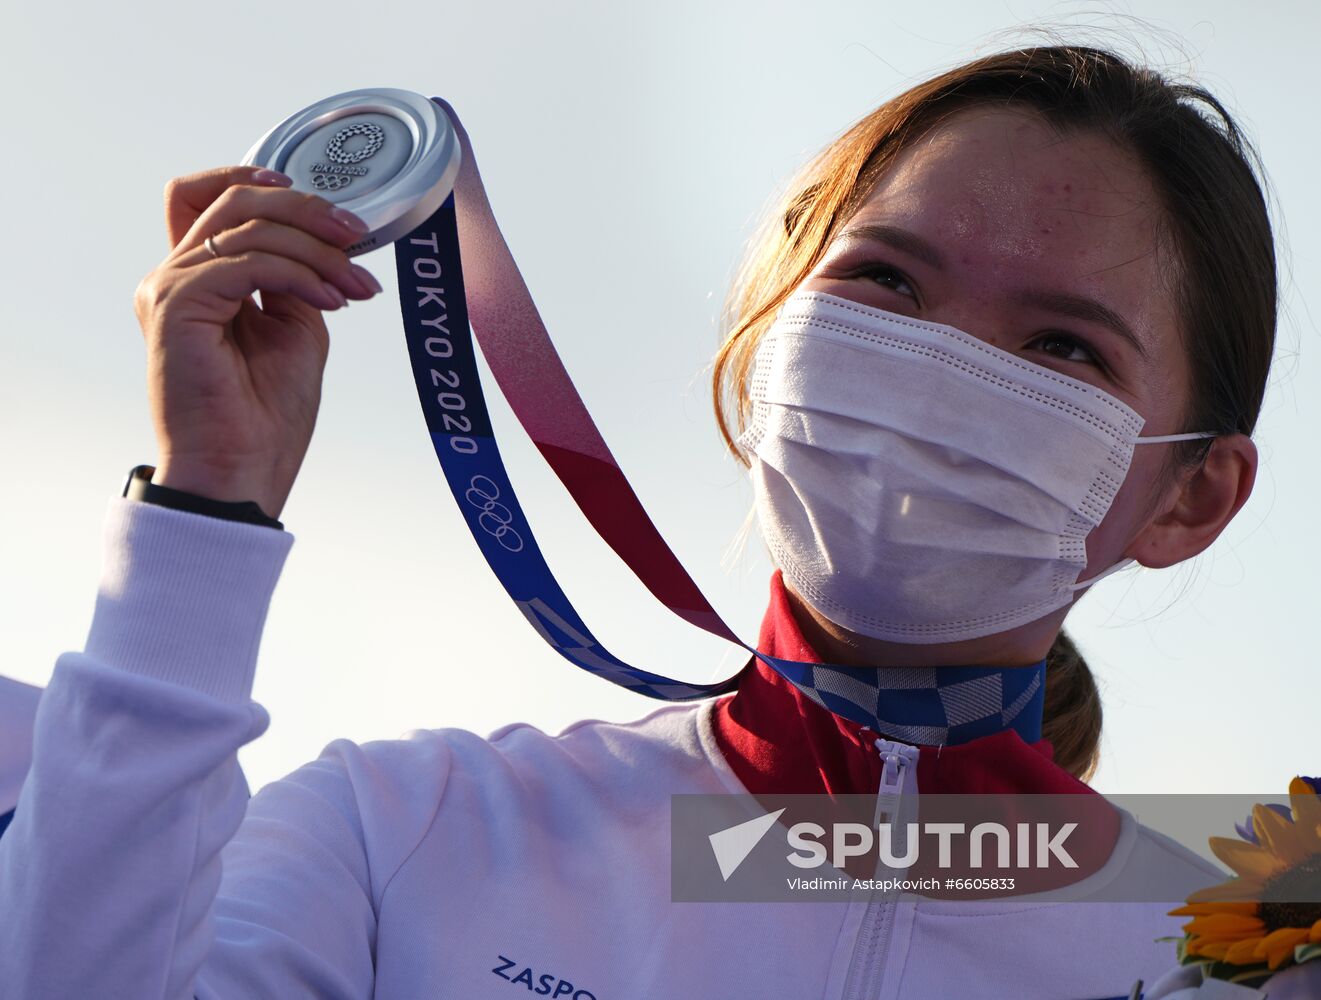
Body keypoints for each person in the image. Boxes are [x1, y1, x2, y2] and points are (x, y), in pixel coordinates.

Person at [0, 43, 1284, 998]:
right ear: (771, 338)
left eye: (1060, 345)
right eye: (884, 280)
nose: (932, 367)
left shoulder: (1243, 956)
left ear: (1192, 495)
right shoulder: (412, 824)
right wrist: (205, 509)